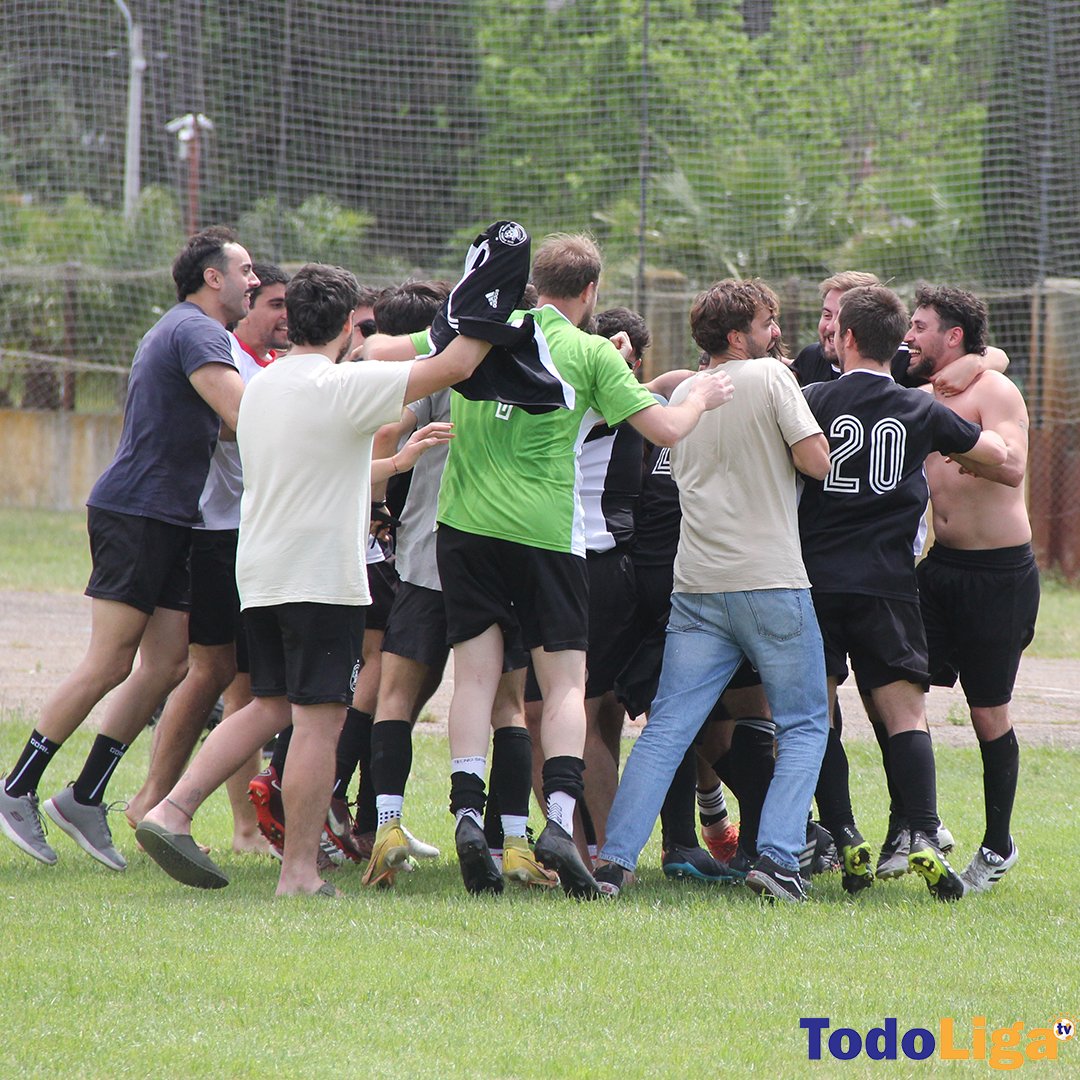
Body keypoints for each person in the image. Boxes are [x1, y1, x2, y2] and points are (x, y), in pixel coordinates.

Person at [134, 256, 511, 897]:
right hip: (319, 579)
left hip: (261, 572)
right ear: (345, 327)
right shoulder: (343, 383)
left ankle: (170, 809)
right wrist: (493, 289)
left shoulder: (264, 388)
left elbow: (320, 473)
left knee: (273, 704)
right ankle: (300, 874)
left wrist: (397, 461)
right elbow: (456, 366)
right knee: (318, 721)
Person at [427, 233, 734, 898]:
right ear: (592, 291)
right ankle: (562, 825)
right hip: (544, 534)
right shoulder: (591, 352)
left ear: (536, 285)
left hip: (462, 528)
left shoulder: (482, 334)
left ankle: (467, 814)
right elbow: (667, 430)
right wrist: (700, 399)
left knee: (476, 678)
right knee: (565, 684)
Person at [0, 226, 256, 869]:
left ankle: (84, 797)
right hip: (137, 511)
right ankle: (16, 788)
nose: (254, 281)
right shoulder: (198, 331)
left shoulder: (194, 331)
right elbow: (242, 415)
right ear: (212, 277)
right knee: (109, 660)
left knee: (167, 664)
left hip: (171, 518)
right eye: (246, 270)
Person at [594, 278, 831, 903]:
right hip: (772, 580)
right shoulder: (773, 379)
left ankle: (613, 863)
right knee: (806, 723)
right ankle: (777, 859)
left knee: (668, 728)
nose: (776, 333)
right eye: (766, 323)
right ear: (736, 336)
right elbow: (816, 462)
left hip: (696, 586)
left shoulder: (680, 392)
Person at [799, 285, 1007, 900]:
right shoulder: (919, 409)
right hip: (887, 586)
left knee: (822, 711)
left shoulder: (810, 399)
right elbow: (995, 452)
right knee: (905, 715)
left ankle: (842, 830)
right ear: (896, 345)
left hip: (816, 582)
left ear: (849, 339)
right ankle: (920, 831)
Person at [125, 264, 291, 854]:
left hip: (251, 537)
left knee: (240, 684)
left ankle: (242, 829)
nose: (282, 316)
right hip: (217, 537)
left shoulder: (268, 368)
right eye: (272, 302)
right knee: (210, 674)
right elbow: (235, 427)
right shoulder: (224, 363)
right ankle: (151, 801)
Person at [908, 284, 1038, 894]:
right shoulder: (923, 391)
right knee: (900, 691)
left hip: (999, 576)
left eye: (920, 325)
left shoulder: (994, 389)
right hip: (939, 570)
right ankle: (915, 827)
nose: (909, 334)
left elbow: (1012, 464)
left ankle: (998, 844)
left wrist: (966, 446)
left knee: (988, 714)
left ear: (953, 335)